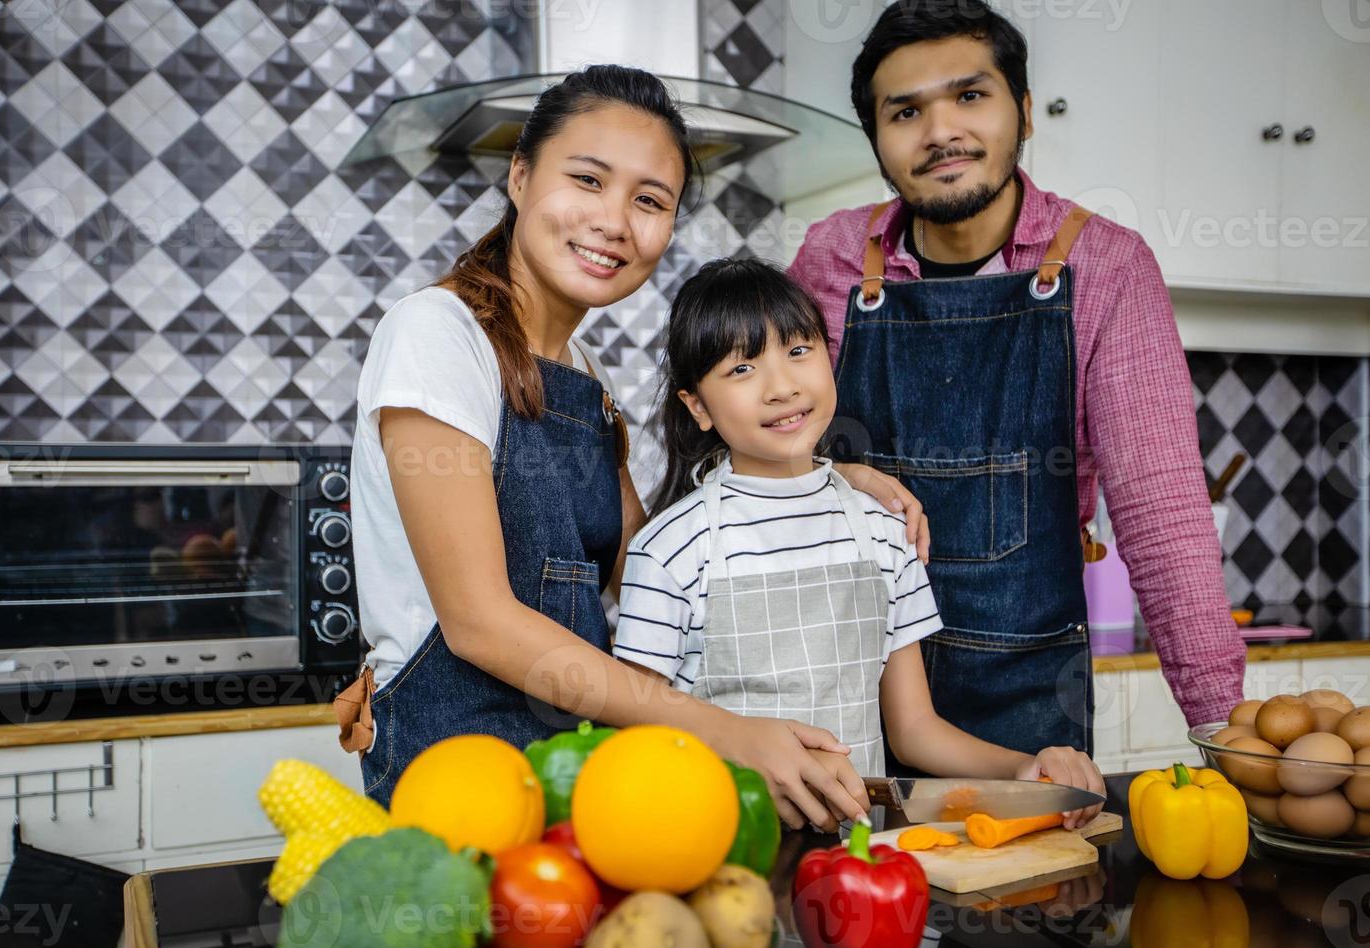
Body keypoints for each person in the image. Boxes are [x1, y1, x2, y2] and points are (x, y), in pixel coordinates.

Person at [339, 65, 927, 829]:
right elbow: (479, 621)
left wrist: (814, 479)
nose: (616, 222)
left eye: (649, 201)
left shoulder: (585, 375)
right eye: (587, 180)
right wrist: (724, 730)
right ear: (520, 177)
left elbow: (649, 560)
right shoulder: (436, 335)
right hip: (458, 778)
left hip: (579, 774)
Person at [787, 0, 1244, 773]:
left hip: (1028, 700)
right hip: (843, 686)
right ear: (877, 138)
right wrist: (832, 472)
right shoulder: (830, 259)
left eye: (970, 96)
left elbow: (1161, 512)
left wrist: (1224, 731)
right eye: (905, 111)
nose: (940, 133)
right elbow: (755, 445)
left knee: (1026, 892)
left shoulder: (1107, 267)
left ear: (1024, 111)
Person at [614, 257, 1104, 830]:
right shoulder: (668, 549)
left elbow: (914, 730)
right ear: (697, 406)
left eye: (799, 351)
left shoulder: (882, 531)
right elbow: (635, 728)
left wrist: (1024, 769)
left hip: (861, 858)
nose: (783, 387)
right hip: (713, 849)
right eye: (742, 369)